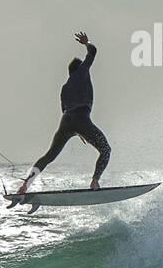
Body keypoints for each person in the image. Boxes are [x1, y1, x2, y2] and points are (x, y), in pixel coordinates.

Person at [16, 32, 112, 193]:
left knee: (49, 156)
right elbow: (93, 51)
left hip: (66, 121)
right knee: (105, 150)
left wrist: (77, 131)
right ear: (81, 68)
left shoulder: (65, 87)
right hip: (82, 118)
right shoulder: (82, 72)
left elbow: (64, 109)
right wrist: (86, 42)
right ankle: (95, 181)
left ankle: (25, 185)